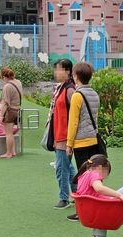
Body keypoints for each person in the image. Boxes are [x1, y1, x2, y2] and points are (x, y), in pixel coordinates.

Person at [65, 62, 102, 221]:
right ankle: (95, 205)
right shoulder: (94, 93)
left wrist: (69, 144)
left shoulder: (77, 96)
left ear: (76, 76)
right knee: (93, 176)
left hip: (81, 142)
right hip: (93, 139)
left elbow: (73, 121)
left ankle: (83, 211)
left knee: (82, 177)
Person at [51, 58, 77, 209]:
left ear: (67, 71)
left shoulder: (70, 90)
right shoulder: (61, 88)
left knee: (61, 168)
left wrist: (70, 139)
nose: (56, 72)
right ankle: (76, 193)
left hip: (66, 136)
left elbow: (75, 114)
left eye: (58, 69)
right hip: (59, 134)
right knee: (67, 166)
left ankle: (64, 198)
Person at [0, 67, 23, 158]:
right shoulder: (18, 82)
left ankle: (8, 153)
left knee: (8, 134)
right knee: (11, 132)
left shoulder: (7, 86)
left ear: (4, 76)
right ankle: (13, 151)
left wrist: (1, 116)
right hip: (17, 109)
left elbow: (5, 103)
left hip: (10, 111)